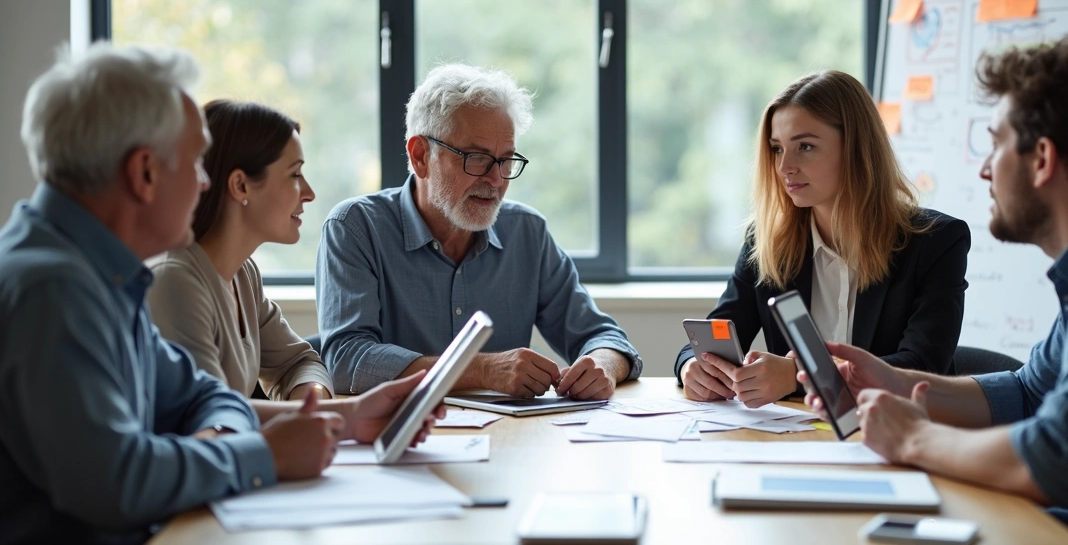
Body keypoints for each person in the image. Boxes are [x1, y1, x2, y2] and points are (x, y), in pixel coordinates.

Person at [802, 37, 1068, 542]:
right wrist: (889, 382)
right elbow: (1026, 394)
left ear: (1042, 159)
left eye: (996, 144)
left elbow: (1057, 460)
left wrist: (914, 437)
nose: (984, 168)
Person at [0, 44, 343, 543]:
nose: (206, 184)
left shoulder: (103, 272)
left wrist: (219, 440)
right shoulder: (52, 290)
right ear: (145, 173)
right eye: (195, 162)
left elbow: (203, 396)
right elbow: (118, 482)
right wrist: (263, 455)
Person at [318, 63, 642, 398]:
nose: (496, 180)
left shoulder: (526, 233)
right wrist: (483, 370)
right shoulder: (355, 228)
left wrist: (602, 364)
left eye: (506, 160)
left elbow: (605, 337)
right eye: (477, 158)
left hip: (507, 441)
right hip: (402, 443)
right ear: (420, 156)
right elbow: (346, 361)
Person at [145, 101, 439, 439]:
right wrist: (337, 415)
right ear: (241, 186)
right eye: (295, 174)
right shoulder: (175, 282)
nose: (310, 193)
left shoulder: (242, 274)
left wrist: (311, 412)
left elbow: (299, 363)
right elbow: (211, 413)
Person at [675, 70, 970, 408]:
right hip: (799, 441)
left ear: (857, 148)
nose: (785, 166)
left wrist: (798, 374)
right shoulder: (767, 241)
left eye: (805, 146)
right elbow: (714, 337)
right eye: (776, 149)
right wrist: (692, 368)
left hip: (899, 436)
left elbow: (920, 370)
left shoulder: (936, 242)